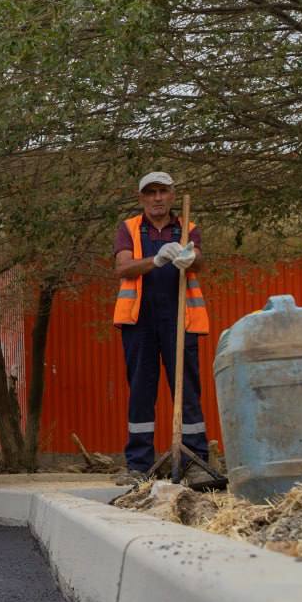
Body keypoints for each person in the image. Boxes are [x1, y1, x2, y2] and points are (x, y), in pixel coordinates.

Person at [113, 171, 210, 476]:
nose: (157, 198)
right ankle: (139, 465)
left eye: (163, 191)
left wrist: (188, 257)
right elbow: (123, 268)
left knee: (187, 391)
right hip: (139, 320)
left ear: (172, 195)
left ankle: (195, 463)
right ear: (141, 197)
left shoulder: (187, 227)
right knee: (141, 390)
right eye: (151, 192)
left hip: (179, 318)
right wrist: (155, 261)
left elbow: (200, 259)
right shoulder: (129, 228)